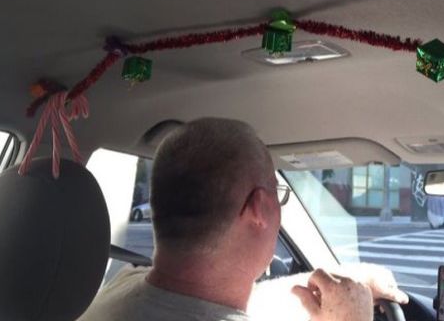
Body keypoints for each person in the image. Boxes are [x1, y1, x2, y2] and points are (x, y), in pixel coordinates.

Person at [79, 118, 407, 321]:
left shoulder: (123, 287)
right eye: (278, 192)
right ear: (259, 207)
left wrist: (353, 276)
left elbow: (239, 302)